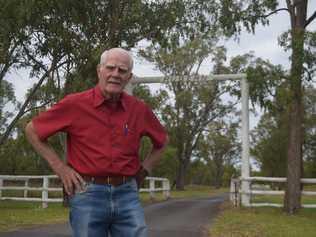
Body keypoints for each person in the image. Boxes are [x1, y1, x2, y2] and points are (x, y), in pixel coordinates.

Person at [25, 48, 168, 237]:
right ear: (99, 70)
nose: (115, 74)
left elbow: (163, 141)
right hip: (87, 193)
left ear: (129, 77)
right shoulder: (75, 104)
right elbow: (32, 130)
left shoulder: (138, 109)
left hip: (127, 194)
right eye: (111, 68)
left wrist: (144, 171)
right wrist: (60, 168)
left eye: (122, 71)